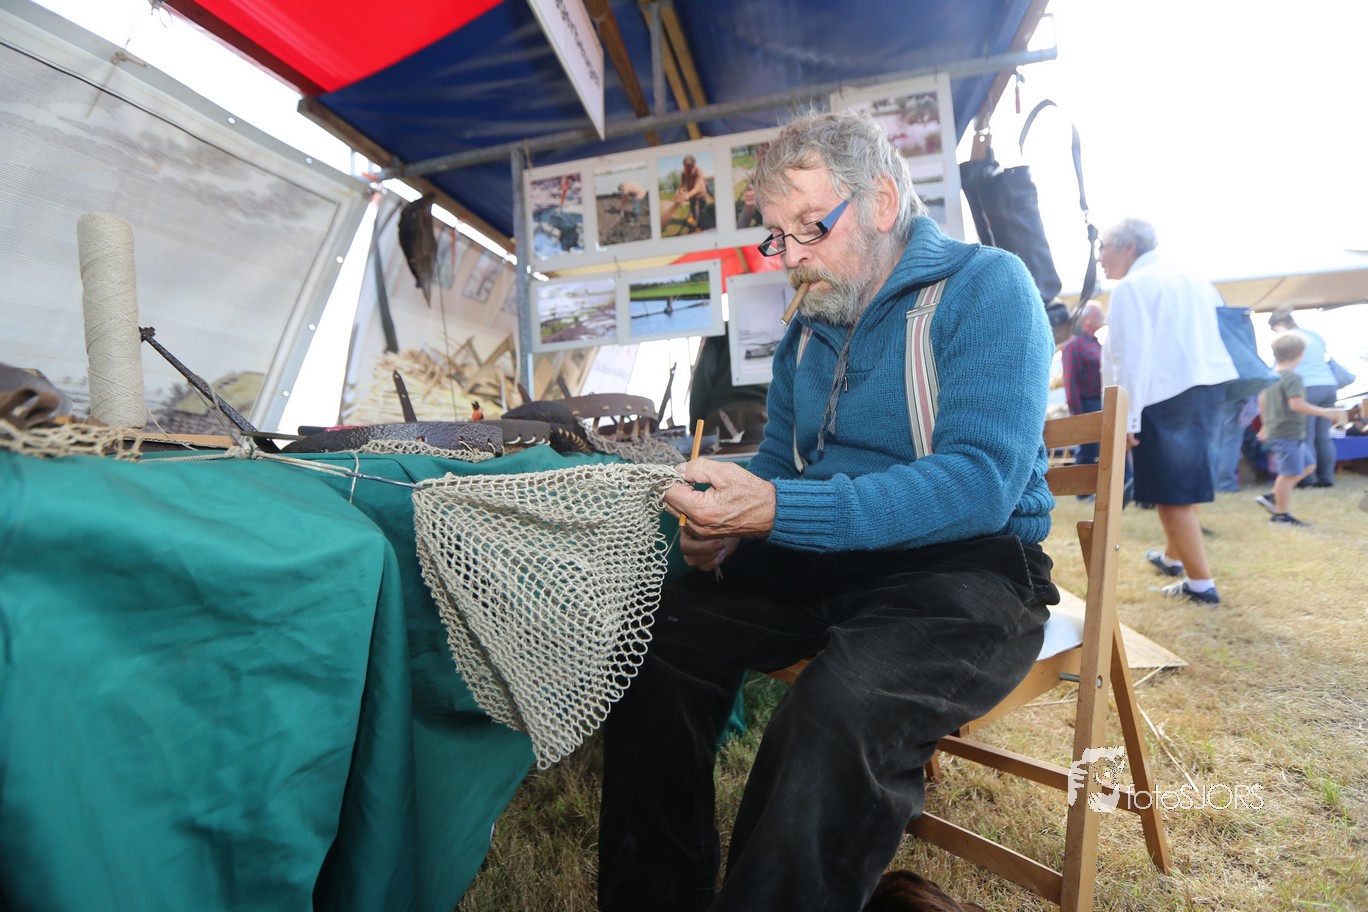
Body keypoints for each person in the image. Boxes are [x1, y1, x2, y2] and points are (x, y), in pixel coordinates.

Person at [597, 109, 1059, 912]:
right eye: (778, 237)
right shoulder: (808, 330)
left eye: (811, 226)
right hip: (830, 560)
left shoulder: (987, 286)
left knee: (836, 710)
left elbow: (981, 482)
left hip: (968, 566)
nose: (792, 258)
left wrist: (776, 508)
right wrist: (725, 531)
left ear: (882, 202)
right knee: (653, 639)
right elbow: (779, 470)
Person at [1099, 217, 1236, 605]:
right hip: (1206, 387)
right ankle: (1173, 558)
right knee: (1183, 484)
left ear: (1129, 247)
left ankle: (1200, 585)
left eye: (1103, 247)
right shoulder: (1195, 279)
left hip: (1162, 394)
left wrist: (1126, 418)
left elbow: (1129, 357)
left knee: (1169, 492)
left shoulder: (1133, 286)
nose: (1100, 258)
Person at [1254, 332, 1349, 526]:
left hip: (1285, 432)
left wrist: (1265, 424)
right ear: (1301, 354)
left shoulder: (1270, 376)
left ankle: (1273, 497)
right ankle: (1281, 515)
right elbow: (1296, 405)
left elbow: (1261, 400)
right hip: (1287, 433)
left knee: (1308, 466)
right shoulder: (1293, 378)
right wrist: (1324, 412)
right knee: (1288, 474)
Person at [1268, 307, 1341, 487]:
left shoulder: (1287, 340)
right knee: (1323, 437)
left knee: (1305, 436)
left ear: (1279, 324)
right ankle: (1326, 478)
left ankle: (1305, 480)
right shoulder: (1314, 335)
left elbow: (1278, 367)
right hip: (1328, 384)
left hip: (1305, 386)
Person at [1061, 301, 1106, 468]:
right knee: (1088, 449)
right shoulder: (1074, 345)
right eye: (1098, 314)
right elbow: (1070, 382)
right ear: (1086, 319)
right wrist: (1078, 416)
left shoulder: (1096, 344)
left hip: (1101, 402)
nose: (1102, 317)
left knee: (1101, 449)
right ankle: (1080, 486)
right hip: (1087, 405)